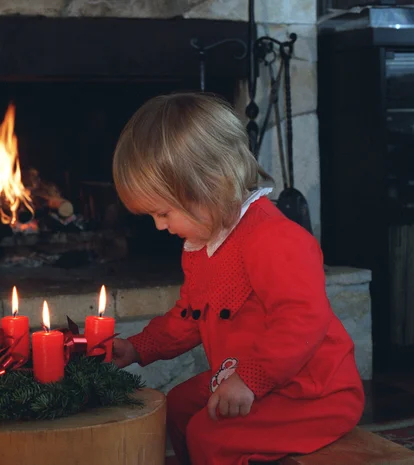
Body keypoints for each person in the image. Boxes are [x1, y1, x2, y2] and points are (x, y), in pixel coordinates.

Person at [111, 93, 365, 465]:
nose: (160, 226)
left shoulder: (275, 239)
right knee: (179, 406)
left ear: (211, 183)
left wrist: (250, 380)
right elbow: (189, 317)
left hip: (311, 394)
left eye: (164, 213)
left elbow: (301, 321)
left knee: (210, 435)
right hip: (248, 380)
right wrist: (137, 347)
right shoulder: (204, 244)